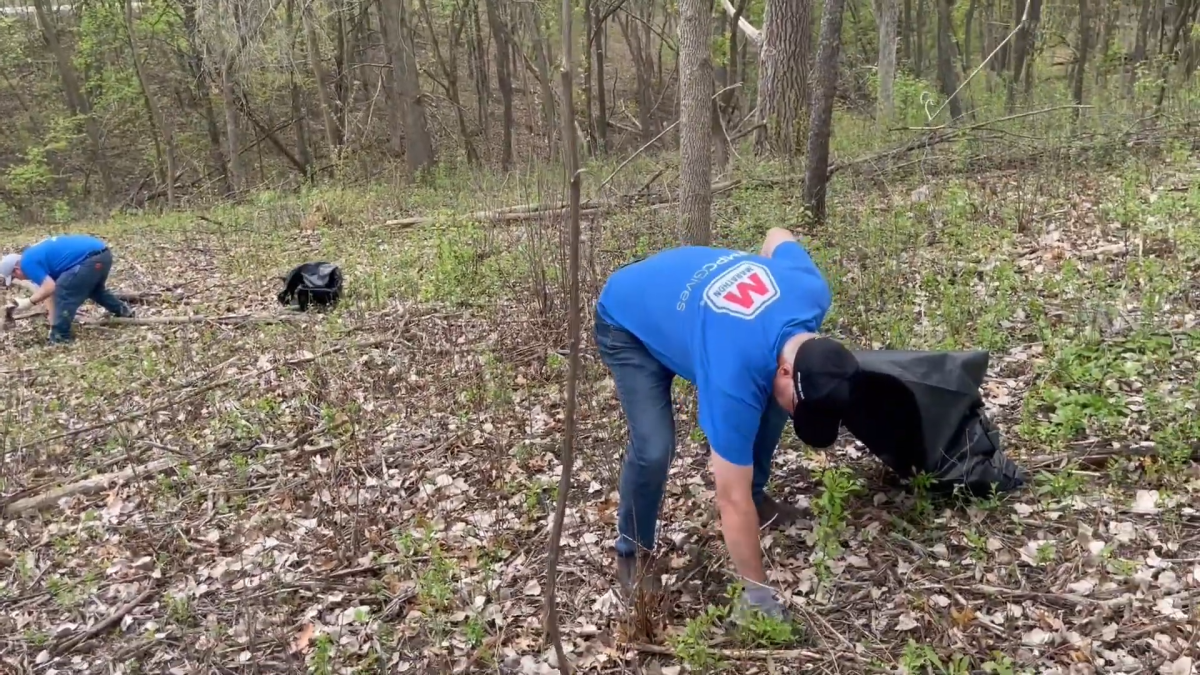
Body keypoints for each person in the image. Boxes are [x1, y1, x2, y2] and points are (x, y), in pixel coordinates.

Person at [594, 228, 861, 619]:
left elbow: (776, 236)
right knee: (655, 446)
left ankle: (761, 498)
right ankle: (632, 551)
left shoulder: (810, 291)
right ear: (786, 371)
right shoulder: (733, 374)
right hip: (627, 319)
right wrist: (758, 595)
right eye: (799, 406)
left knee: (773, 403)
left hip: (682, 303)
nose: (794, 416)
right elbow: (727, 499)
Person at [1, 234, 134, 344]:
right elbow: (49, 294)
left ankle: (61, 338)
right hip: (103, 255)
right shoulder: (34, 258)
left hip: (90, 259)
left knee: (64, 291)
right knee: (94, 291)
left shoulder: (27, 263)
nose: (21, 279)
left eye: (14, 277)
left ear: (16, 269)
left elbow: (51, 288)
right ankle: (124, 312)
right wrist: (52, 324)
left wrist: (29, 302)